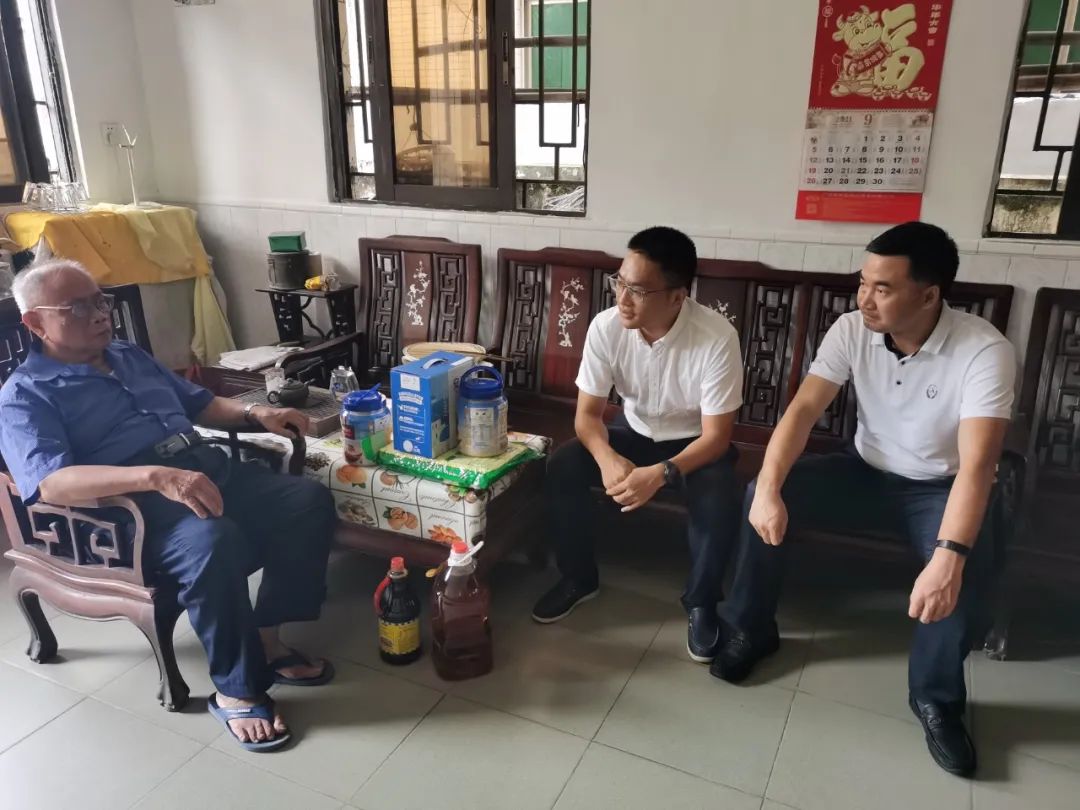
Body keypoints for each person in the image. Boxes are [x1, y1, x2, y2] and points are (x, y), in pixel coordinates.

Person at [712, 222, 1015, 777]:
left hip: (938, 487)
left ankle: (936, 699)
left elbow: (977, 467)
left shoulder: (984, 351)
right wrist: (770, 488)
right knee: (762, 492)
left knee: (961, 565)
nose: (863, 299)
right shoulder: (852, 329)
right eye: (862, 282)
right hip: (864, 471)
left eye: (883, 288)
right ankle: (750, 630)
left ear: (929, 295)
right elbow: (803, 411)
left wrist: (947, 558)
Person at [0, 260, 337, 753]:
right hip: (129, 507)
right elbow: (51, 483)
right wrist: (155, 477)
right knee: (214, 541)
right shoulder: (23, 395)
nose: (100, 314)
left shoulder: (127, 355)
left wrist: (256, 412)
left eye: (100, 301)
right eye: (78, 308)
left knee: (305, 501)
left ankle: (267, 638)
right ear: (35, 323)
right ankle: (237, 688)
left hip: (201, 469)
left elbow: (200, 404)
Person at [531, 227, 744, 663]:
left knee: (720, 493)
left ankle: (702, 602)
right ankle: (578, 578)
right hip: (631, 431)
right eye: (620, 282)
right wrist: (607, 458)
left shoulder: (716, 336)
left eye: (639, 291)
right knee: (565, 464)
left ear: (677, 296)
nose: (622, 298)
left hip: (694, 444)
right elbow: (587, 417)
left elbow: (718, 437)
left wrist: (662, 474)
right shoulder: (606, 327)